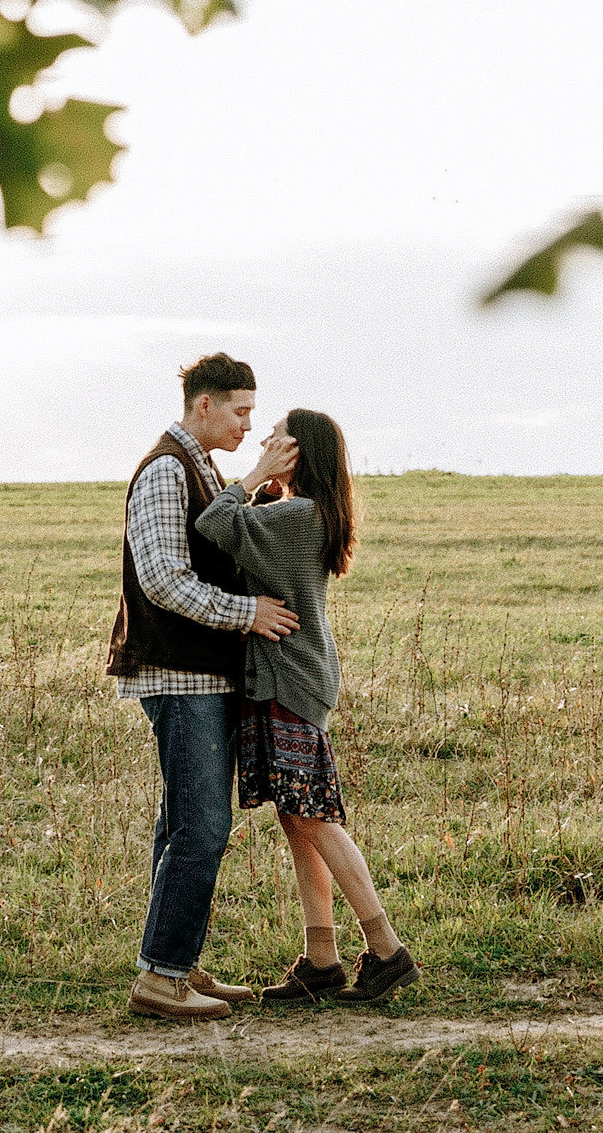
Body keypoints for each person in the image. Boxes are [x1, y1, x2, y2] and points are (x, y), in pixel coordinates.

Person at [196, 409, 417, 1006]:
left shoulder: (295, 517)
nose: (264, 440)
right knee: (299, 821)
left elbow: (215, 523)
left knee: (315, 817)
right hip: (291, 679)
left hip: (288, 683)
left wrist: (252, 478)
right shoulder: (303, 513)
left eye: (276, 437)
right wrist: (267, 485)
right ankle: (322, 960)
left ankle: (387, 950)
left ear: (297, 452)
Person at [106, 353, 303, 1022]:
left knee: (182, 821)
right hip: (178, 671)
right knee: (203, 825)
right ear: (204, 406)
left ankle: (172, 961)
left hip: (197, 671)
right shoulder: (167, 470)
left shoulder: (200, 468)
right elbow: (163, 578)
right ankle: (162, 977)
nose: (249, 423)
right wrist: (248, 613)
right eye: (241, 410)